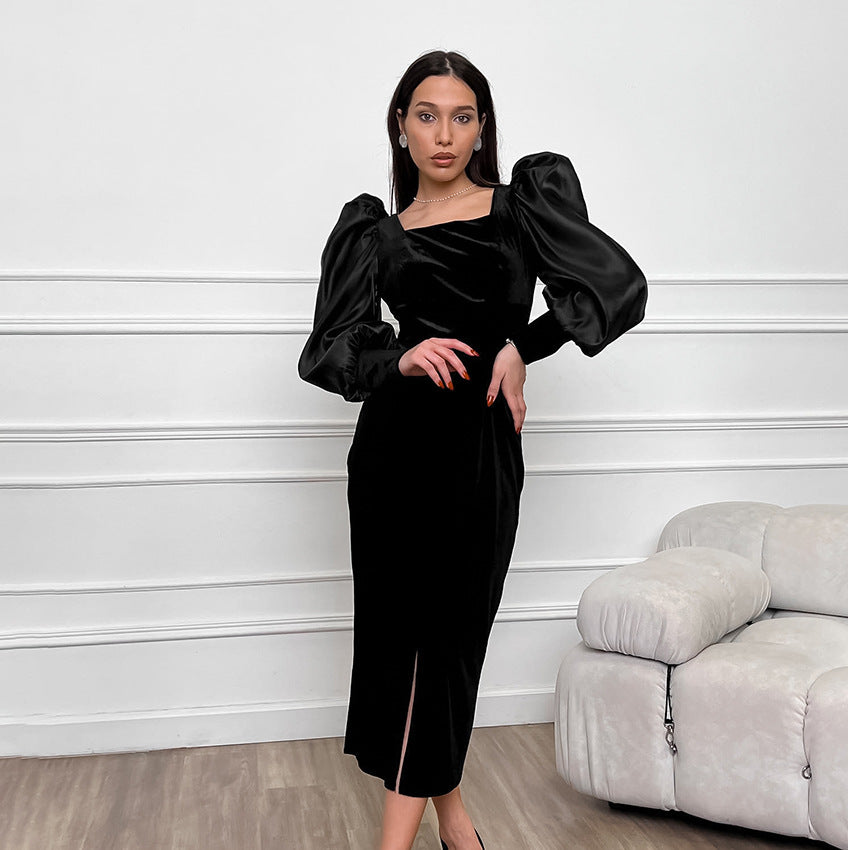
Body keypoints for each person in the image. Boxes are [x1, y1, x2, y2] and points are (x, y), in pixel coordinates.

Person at [297, 49, 648, 850]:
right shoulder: (375, 233)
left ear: (482, 127)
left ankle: (428, 827)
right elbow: (328, 351)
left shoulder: (522, 206)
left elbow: (615, 287)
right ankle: (450, 826)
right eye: (427, 116)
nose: (444, 135)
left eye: (461, 117)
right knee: (407, 646)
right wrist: (400, 357)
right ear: (401, 126)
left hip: (479, 449)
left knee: (449, 642)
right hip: (393, 455)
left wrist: (523, 347)